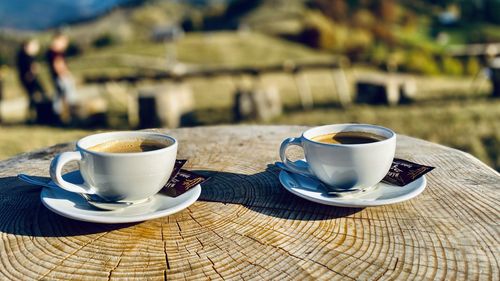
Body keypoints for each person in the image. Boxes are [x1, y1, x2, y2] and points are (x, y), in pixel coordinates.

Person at [46, 32, 77, 123]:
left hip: (59, 76)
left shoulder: (53, 52)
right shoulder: (55, 53)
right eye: (63, 41)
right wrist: (65, 75)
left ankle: (59, 115)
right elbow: (58, 65)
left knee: (59, 96)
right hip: (61, 77)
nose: (65, 44)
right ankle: (69, 115)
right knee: (67, 96)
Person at [16, 39, 48, 121]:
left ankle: (32, 117)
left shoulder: (23, 56)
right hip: (31, 81)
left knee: (33, 99)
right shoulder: (25, 57)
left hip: (29, 81)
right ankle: (35, 117)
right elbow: (31, 70)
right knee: (36, 98)